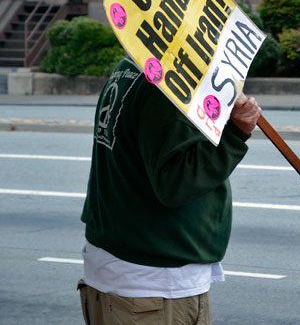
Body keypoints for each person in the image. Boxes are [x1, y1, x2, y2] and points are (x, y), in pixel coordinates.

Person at [78, 56, 261, 324]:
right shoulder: (167, 84)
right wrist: (235, 133)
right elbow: (176, 183)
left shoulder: (130, 65)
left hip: (131, 275)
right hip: (153, 286)